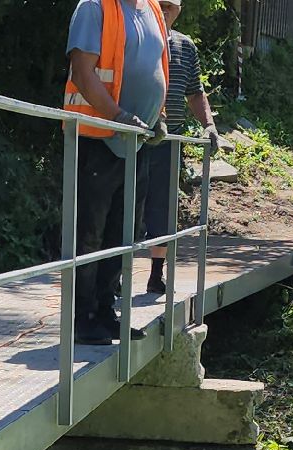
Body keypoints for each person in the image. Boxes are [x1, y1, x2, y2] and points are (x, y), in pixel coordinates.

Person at [64, 0, 169, 346]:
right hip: (99, 139)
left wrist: (160, 117)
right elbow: (82, 72)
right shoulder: (95, 6)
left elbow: (155, 67)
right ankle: (83, 319)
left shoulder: (153, 9)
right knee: (89, 233)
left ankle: (106, 314)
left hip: (137, 143)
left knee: (122, 234)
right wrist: (118, 116)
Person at [140, 0, 220, 296]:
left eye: (169, 7)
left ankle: (155, 274)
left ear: (178, 10)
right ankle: (113, 277)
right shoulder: (136, 38)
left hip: (170, 141)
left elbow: (195, 92)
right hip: (134, 137)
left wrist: (209, 124)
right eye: (159, 5)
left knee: (162, 206)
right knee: (126, 206)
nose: (163, 11)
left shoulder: (185, 47)